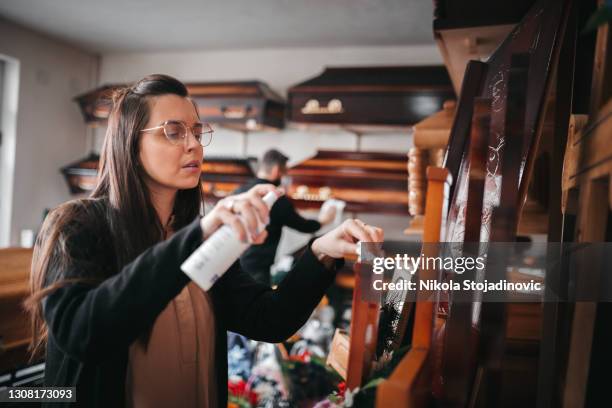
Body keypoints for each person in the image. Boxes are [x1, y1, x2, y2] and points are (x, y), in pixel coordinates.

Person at [25, 74, 383, 408]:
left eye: (197, 131)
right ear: (130, 142)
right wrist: (199, 235)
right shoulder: (78, 224)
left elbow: (267, 319)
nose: (194, 145)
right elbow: (84, 334)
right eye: (173, 131)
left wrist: (319, 252)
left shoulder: (192, 231)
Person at [234, 149, 335, 285]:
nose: (285, 177)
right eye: (285, 172)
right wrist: (323, 221)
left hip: (233, 265)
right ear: (276, 170)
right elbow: (303, 226)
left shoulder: (239, 192)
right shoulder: (277, 199)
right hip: (258, 270)